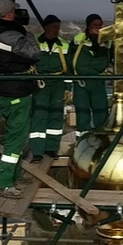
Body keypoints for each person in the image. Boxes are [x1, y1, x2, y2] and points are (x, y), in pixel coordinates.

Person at [0, 0, 41, 199]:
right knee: (15, 141)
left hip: (5, 89)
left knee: (18, 136)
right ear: (9, 15)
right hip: (15, 91)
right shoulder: (8, 35)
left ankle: (13, 177)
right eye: (14, 13)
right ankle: (5, 183)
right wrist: (28, 34)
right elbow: (35, 53)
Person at [29, 14, 69, 161]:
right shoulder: (35, 43)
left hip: (58, 82)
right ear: (45, 27)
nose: (56, 30)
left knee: (56, 115)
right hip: (41, 82)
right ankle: (38, 152)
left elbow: (69, 67)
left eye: (58, 27)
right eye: (53, 27)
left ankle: (51, 149)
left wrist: (67, 88)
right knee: (39, 115)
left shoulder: (64, 45)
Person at [70, 13, 111, 136]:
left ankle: (102, 139)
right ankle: (82, 139)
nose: (97, 27)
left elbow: (107, 59)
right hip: (81, 82)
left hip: (97, 81)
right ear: (88, 25)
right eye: (95, 25)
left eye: (100, 25)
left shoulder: (106, 40)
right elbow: (71, 58)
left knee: (101, 111)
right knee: (82, 112)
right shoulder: (79, 39)